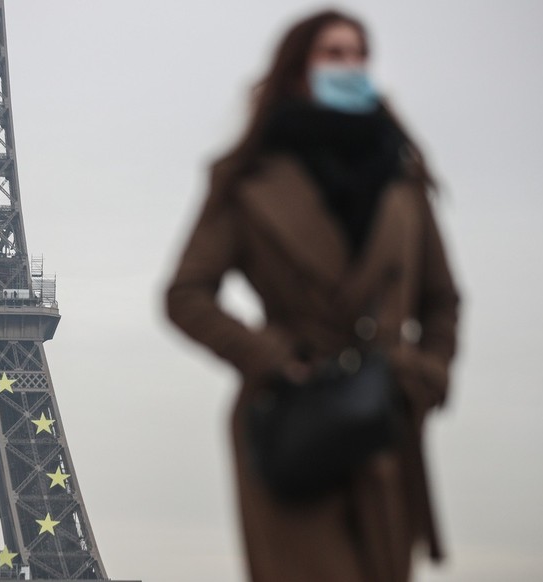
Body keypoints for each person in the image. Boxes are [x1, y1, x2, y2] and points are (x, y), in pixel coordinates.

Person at [165, 9, 460, 582]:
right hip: (294, 426)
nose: (350, 66)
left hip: (382, 419)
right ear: (298, 71)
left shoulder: (402, 179)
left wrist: (426, 375)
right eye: (333, 54)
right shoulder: (249, 179)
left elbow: (441, 298)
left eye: (359, 54)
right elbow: (187, 294)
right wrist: (273, 358)